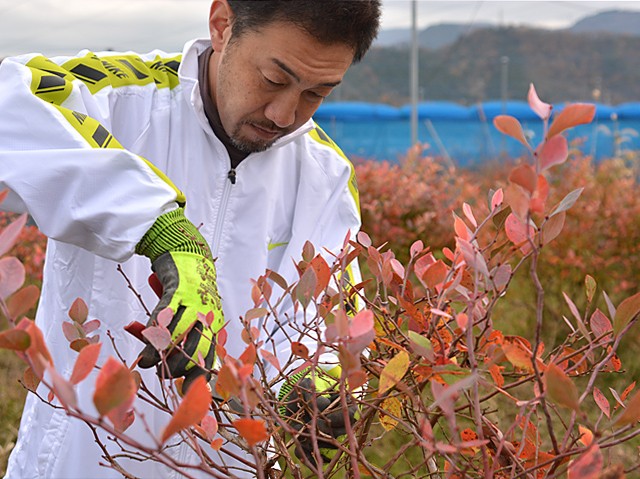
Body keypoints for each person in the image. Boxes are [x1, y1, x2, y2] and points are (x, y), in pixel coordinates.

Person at [0, 0, 381, 477]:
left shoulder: (324, 175)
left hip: (226, 465)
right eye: (274, 79)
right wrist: (164, 231)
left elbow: (328, 326)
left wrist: (318, 385)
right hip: (79, 459)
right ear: (223, 24)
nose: (285, 114)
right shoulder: (120, 97)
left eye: (316, 94)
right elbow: (12, 99)